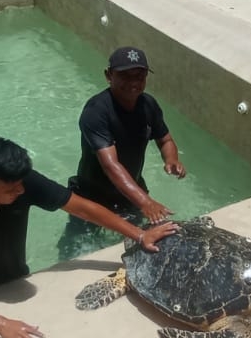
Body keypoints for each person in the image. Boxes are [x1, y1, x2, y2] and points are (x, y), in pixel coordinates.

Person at [0, 133, 177, 338]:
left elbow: (82, 208)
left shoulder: (20, 182)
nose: (22, 190)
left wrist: (139, 235)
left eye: (23, 183)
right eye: (13, 188)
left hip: (14, 277)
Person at [68, 46, 186, 225]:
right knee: (79, 247)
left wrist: (172, 159)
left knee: (145, 239)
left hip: (131, 190)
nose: (133, 83)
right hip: (92, 198)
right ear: (109, 75)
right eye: (125, 76)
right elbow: (110, 165)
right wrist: (145, 202)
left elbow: (165, 139)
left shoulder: (148, 105)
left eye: (139, 76)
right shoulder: (96, 111)